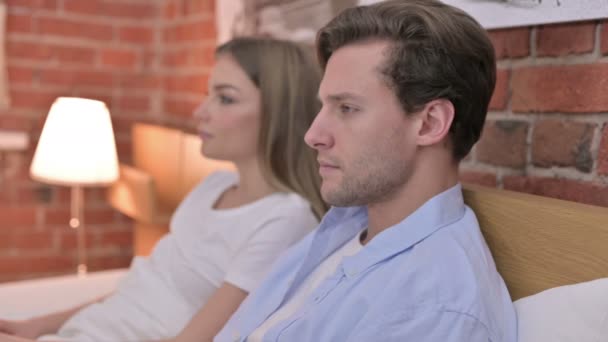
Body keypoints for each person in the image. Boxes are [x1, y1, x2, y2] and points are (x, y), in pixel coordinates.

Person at [215, 1, 517, 341]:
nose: (313, 136)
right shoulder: (346, 225)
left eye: (347, 108)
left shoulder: (431, 309)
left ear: (429, 123)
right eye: (323, 106)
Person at [0, 37, 327, 342]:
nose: (201, 112)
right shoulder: (213, 186)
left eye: (225, 98)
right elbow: (143, 287)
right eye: (207, 94)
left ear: (278, 113)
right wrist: (36, 326)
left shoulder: (284, 221)